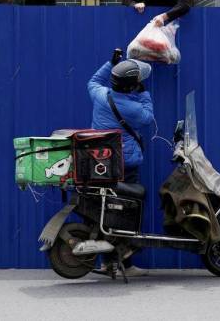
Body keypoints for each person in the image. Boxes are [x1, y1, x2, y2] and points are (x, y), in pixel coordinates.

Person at [87, 49, 154, 277]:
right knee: (129, 211)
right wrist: (144, 92)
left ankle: (108, 263)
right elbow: (147, 117)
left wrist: (110, 63)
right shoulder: (133, 108)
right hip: (126, 165)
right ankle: (126, 260)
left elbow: (93, 81)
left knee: (108, 211)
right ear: (131, 86)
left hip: (102, 164)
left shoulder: (99, 94)